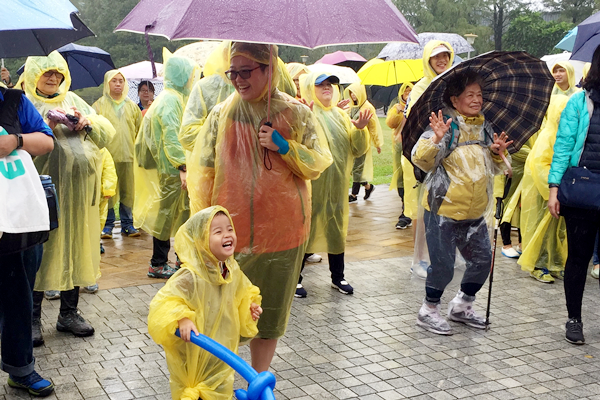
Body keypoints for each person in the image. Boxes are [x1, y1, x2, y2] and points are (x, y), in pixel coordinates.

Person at [187, 42, 332, 372]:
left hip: (283, 234)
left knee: (268, 315)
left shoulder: (296, 113)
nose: (238, 79)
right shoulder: (220, 115)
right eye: (232, 72)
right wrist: (203, 226)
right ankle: (218, 383)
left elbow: (318, 162)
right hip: (229, 237)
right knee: (224, 315)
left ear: (270, 68)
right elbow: (204, 173)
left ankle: (259, 380)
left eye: (246, 71)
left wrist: (284, 146)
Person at [23, 51, 115, 341]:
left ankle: (68, 313)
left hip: (77, 196)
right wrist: (45, 127)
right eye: (47, 72)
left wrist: (86, 121)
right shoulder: (23, 104)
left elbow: (106, 133)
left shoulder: (74, 100)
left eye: (58, 73)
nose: (53, 78)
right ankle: (32, 318)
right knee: (42, 252)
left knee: (75, 247)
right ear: (33, 74)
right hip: (42, 194)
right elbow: (16, 147)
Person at [412, 71, 511, 335]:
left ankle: (462, 305)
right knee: (443, 266)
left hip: (476, 210)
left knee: (482, 261)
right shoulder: (445, 125)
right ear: (455, 100)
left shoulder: (485, 127)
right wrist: (435, 139)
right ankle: (429, 310)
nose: (477, 99)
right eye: (470, 95)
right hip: (442, 209)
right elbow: (421, 160)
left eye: (479, 95)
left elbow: (496, 166)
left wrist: (498, 154)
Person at [148, 206, 262, 399]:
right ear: (200, 242)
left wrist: (249, 308)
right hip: (193, 362)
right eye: (218, 231)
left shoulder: (231, 271)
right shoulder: (190, 276)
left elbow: (243, 293)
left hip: (221, 362)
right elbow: (165, 303)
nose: (227, 235)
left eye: (230, 229)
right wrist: (181, 318)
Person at [0, 85, 55, 396]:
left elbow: (47, 141)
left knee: (18, 293)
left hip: (16, 217)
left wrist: (16, 141)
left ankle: (21, 369)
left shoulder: (14, 101)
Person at [296, 72, 371, 297]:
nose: (327, 88)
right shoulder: (305, 113)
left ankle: (338, 277)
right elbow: (299, 146)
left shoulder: (341, 115)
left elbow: (357, 150)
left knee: (337, 229)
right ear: (311, 89)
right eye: (321, 85)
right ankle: (295, 279)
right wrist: (304, 121)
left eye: (330, 84)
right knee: (306, 229)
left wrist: (359, 129)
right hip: (312, 185)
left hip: (338, 185)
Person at [548, 44, 600, 345]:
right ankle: (574, 319)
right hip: (582, 191)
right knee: (578, 258)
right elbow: (563, 148)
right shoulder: (579, 104)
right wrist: (554, 188)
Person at [134, 56, 199, 279]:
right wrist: (182, 166)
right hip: (173, 168)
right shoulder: (170, 100)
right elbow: (172, 137)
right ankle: (158, 263)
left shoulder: (174, 97)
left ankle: (180, 258)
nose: (192, 79)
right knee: (167, 215)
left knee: (181, 214)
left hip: (174, 167)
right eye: (189, 74)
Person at [517, 61, 579, 283]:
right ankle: (539, 265)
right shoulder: (547, 137)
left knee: (557, 230)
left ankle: (555, 263)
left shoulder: (566, 136)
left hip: (558, 193)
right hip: (545, 193)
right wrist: (553, 191)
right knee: (540, 229)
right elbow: (539, 165)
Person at [406, 41, 455, 279]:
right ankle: (419, 258)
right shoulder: (420, 88)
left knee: (442, 206)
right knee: (421, 207)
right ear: (428, 60)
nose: (441, 60)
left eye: (446, 55)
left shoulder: (453, 85)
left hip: (447, 156)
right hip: (423, 154)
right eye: (436, 57)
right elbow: (412, 119)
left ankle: (438, 255)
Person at [93, 70, 143, 239]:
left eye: (121, 81)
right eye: (114, 81)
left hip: (129, 156)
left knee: (128, 191)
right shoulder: (98, 106)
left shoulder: (132, 106)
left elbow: (139, 131)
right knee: (108, 190)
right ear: (107, 83)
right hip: (108, 158)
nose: (118, 84)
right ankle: (107, 225)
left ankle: (127, 224)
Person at [345, 83, 383, 202]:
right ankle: (368, 186)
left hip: (362, 142)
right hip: (352, 141)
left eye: (355, 92)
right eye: (351, 93)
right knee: (353, 168)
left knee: (357, 167)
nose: (353, 95)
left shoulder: (367, 107)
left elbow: (373, 126)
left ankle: (354, 194)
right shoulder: (352, 106)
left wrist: (377, 143)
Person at [386, 82, 414, 229]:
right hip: (399, 148)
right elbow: (390, 123)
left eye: (411, 91)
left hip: (413, 147)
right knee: (400, 178)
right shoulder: (396, 107)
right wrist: (398, 112)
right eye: (406, 92)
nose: (408, 94)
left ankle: (406, 213)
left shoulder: (416, 105)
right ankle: (405, 204)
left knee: (411, 178)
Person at [97, 147, 117, 259]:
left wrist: (108, 189)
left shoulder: (103, 152)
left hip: (99, 195)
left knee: (99, 220)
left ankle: (96, 242)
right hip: (84, 192)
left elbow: (109, 171)